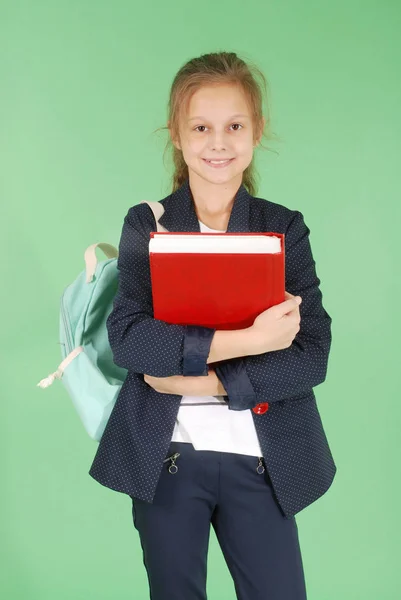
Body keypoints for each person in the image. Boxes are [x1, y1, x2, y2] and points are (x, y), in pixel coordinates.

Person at [89, 51, 337, 600]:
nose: (218, 142)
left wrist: (209, 383)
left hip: (263, 456)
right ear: (177, 134)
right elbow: (131, 338)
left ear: (257, 131)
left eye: (234, 126)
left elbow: (312, 353)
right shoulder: (147, 224)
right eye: (200, 127)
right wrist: (252, 340)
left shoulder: (283, 228)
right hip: (168, 454)